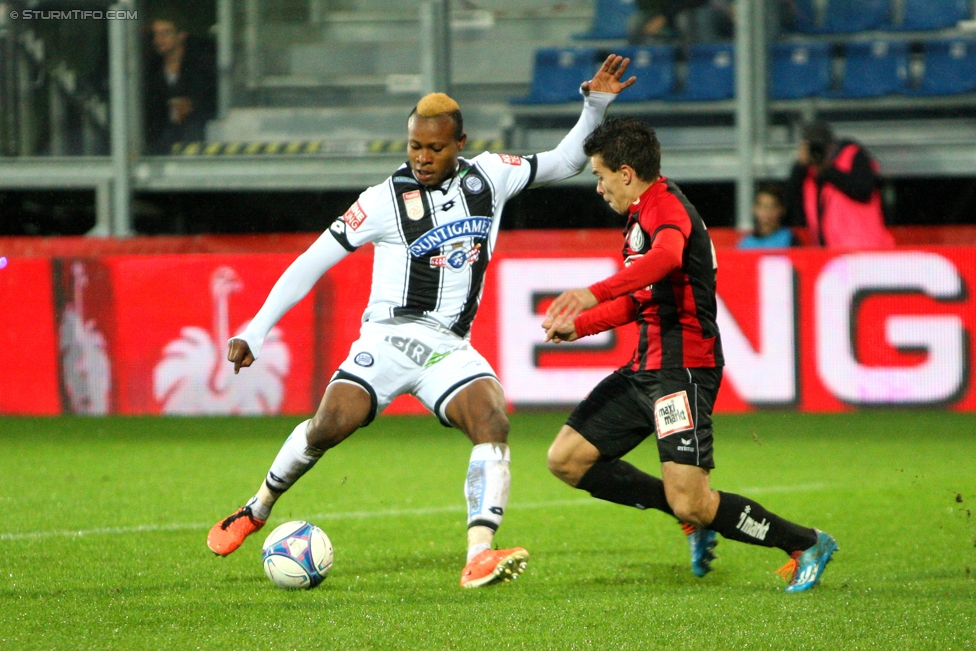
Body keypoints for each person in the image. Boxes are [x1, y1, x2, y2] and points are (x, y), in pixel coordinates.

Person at [206, 55, 637, 589]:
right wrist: (257, 326)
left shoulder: (491, 176)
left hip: (449, 347)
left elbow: (565, 161)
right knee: (328, 427)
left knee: (492, 422)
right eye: (415, 146)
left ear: (460, 142)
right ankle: (256, 508)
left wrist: (594, 104)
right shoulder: (382, 201)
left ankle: (479, 553)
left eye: (435, 147)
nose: (423, 157)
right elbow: (312, 260)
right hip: (388, 338)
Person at [542, 116, 838, 593]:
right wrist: (581, 325)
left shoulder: (668, 208)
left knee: (695, 501)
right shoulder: (642, 215)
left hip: (682, 372)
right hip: (646, 367)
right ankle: (688, 519)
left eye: (598, 176)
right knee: (567, 460)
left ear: (624, 172)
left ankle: (806, 543)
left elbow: (665, 260)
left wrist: (593, 294)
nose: (597, 189)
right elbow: (645, 298)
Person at [786, 120, 895, 249]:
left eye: (820, 147)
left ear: (831, 146)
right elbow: (790, 206)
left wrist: (827, 170)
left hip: (865, 250)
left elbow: (863, 191)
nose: (817, 152)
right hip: (830, 254)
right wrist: (799, 167)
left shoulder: (852, 154)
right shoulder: (807, 172)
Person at [144, 11, 217, 155]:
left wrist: (192, 105)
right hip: (161, 147)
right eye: (155, 35)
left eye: (165, 33)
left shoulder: (201, 66)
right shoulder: (151, 71)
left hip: (198, 142)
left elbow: (214, 97)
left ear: (181, 36)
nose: (158, 40)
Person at [738, 183, 797, 248]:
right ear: (754, 209)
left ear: (781, 210)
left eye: (772, 206)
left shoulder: (789, 239)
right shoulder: (746, 243)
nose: (767, 212)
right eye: (763, 206)